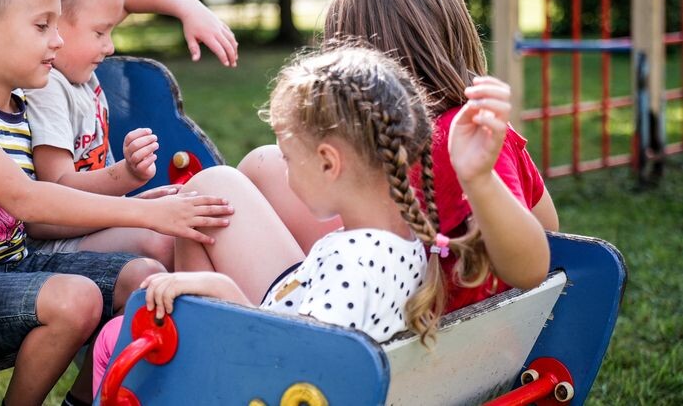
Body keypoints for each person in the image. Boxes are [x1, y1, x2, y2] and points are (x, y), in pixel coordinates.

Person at [0, 0, 234, 406]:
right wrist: (149, 218)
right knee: (76, 299)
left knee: (144, 277)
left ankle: (85, 399)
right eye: (43, 26)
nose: (57, 40)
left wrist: (132, 201)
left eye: (58, 25)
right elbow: (26, 199)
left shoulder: (18, 102)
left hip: (15, 265)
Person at [93, 45, 489, 395]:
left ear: (328, 163)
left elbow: (293, 367)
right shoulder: (406, 240)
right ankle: (194, 319)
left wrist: (222, 291)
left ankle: (193, 330)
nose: (284, 171)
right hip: (277, 323)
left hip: (256, 378)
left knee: (114, 339)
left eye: (288, 157)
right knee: (205, 204)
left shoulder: (351, 260)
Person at [239, 0, 554, 313]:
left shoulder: (455, 145)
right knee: (266, 166)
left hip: (389, 324)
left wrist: (480, 182)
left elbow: (534, 267)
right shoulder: (470, 134)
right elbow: (550, 225)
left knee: (225, 186)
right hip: (401, 305)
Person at [23, 0, 238, 270]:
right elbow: (57, 193)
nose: (110, 47)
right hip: (59, 244)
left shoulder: (74, 67)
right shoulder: (48, 89)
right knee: (166, 240)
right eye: (100, 33)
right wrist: (126, 177)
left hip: (101, 220)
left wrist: (188, 7)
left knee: (194, 215)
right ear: (52, 23)